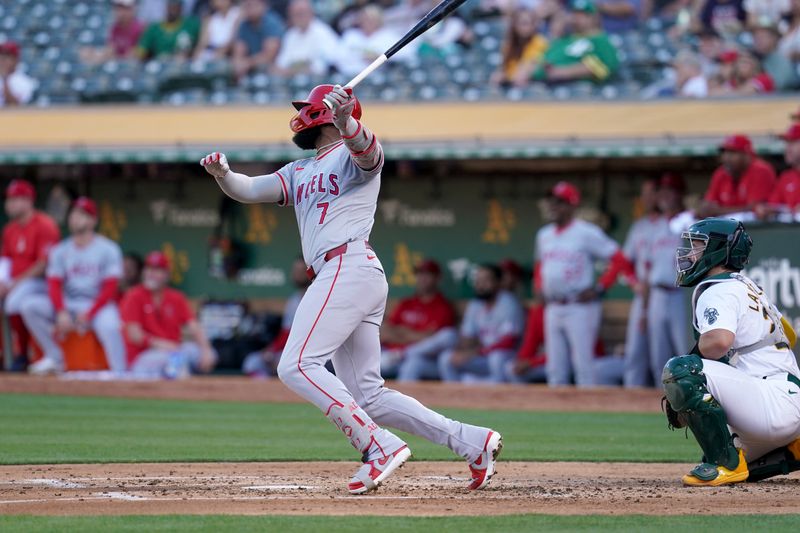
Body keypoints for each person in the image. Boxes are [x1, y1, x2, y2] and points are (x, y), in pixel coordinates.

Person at [200, 83, 502, 494]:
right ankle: (473, 442)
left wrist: (347, 121)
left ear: (323, 114)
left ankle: (376, 445)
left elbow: (370, 155)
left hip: (347, 266)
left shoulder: (350, 150)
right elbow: (249, 189)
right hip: (346, 274)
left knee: (296, 364)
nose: (302, 114)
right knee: (369, 395)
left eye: (309, 108)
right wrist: (224, 175)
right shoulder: (299, 169)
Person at [663, 217, 800, 486]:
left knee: (681, 370)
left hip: (770, 406)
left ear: (718, 251)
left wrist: (688, 376)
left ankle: (724, 464)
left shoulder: (718, 289)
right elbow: (790, 335)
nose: (690, 253)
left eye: (698, 246)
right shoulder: (748, 285)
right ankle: (793, 448)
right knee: (726, 444)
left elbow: (718, 343)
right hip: (785, 398)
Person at [535, 181, 633, 387]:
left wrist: (600, 288)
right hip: (553, 306)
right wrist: (539, 286)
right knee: (555, 368)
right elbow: (540, 265)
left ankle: (588, 413)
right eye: (552, 201)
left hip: (579, 306)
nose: (553, 206)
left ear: (572, 205)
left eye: (560, 202)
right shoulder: (544, 235)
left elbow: (618, 258)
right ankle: (557, 416)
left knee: (583, 366)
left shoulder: (586, 232)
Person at [22, 198, 127, 375]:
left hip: (98, 305)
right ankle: (55, 357)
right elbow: (54, 284)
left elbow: (110, 287)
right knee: (30, 306)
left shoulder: (109, 249)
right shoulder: (60, 250)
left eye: (82, 214)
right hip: (69, 304)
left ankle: (121, 373)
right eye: (73, 213)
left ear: (93, 220)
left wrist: (90, 313)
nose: (76, 218)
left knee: (110, 324)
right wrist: (61, 311)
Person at [121, 251, 217, 378]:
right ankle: (181, 388)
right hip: (144, 356)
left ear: (166, 274)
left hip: (174, 351)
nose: (151, 274)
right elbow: (135, 335)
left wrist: (206, 349)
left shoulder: (176, 297)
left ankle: (196, 388)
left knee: (205, 354)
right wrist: (162, 345)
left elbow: (194, 326)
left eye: (157, 270)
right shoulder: (133, 296)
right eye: (149, 269)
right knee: (174, 360)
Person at [0, 180, 60, 369]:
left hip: (41, 283)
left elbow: (43, 264)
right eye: (9, 199)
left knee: (13, 302)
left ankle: (23, 353)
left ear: (29, 200)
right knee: (11, 301)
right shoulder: (10, 229)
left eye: (16, 199)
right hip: (16, 283)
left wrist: (13, 284)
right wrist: (2, 282)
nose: (11, 204)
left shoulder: (45, 224)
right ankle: (8, 355)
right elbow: (5, 260)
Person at [437, 264, 525, 384]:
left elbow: (509, 342)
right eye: (478, 281)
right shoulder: (475, 305)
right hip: (483, 356)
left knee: (496, 358)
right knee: (446, 358)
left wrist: (476, 352)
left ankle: (502, 396)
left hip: (507, 357)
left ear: (498, 282)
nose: (480, 285)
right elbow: (467, 337)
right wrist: (462, 352)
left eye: (486, 280)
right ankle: (456, 396)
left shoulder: (508, 303)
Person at [641, 174, 689, 387]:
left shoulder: (690, 222)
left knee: (685, 351)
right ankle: (659, 402)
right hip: (657, 295)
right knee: (657, 356)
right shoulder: (654, 227)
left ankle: (691, 398)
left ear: (680, 194)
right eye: (662, 191)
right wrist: (643, 310)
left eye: (670, 191)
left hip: (681, 294)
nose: (665, 196)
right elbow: (646, 270)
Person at [382, 259, 458, 382]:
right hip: (391, 356)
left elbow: (431, 338)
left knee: (414, 363)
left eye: (427, 274)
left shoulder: (442, 307)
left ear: (437, 278)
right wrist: (415, 335)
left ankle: (404, 355)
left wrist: (402, 332)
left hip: (423, 360)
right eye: (419, 274)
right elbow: (386, 332)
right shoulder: (406, 303)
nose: (422, 278)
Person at [242, 257, 310, 377]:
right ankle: (269, 393)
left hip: (309, 352)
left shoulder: (317, 298)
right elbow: (286, 333)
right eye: (295, 271)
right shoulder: (293, 300)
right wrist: (271, 350)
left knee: (283, 364)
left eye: (301, 271)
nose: (297, 275)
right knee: (252, 362)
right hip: (290, 350)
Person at [621, 178, 659, 388]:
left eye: (651, 192)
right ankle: (629, 403)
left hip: (665, 293)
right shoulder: (639, 227)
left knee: (661, 355)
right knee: (635, 353)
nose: (647, 198)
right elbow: (625, 263)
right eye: (644, 193)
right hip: (642, 295)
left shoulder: (672, 223)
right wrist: (634, 283)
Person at [532, 0, 619, 84]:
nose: (577, 18)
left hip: (577, 89)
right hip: (542, 86)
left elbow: (605, 67)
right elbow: (542, 59)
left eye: (583, 15)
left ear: (594, 18)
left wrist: (563, 72)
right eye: (575, 13)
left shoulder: (600, 40)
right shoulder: (565, 39)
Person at [697, 134, 776, 217]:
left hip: (753, 226)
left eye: (732, 153)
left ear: (747, 155)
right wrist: (704, 208)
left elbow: (754, 208)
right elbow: (708, 203)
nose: (727, 157)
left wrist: (718, 211)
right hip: (726, 223)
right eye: (725, 153)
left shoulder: (761, 171)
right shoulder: (721, 173)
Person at [273, 0, 340, 77]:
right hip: (293, 81)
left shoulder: (322, 32)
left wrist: (294, 70)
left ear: (311, 13)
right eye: (296, 14)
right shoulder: (290, 35)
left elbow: (326, 66)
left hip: (318, 82)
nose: (299, 17)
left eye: (302, 13)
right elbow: (280, 65)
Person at [490, 8, 549, 88]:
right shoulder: (508, 45)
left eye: (527, 23)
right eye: (520, 23)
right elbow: (504, 69)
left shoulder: (540, 43)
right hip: (510, 85)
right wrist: (501, 76)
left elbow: (532, 64)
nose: (524, 27)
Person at [337, 6, 399, 78]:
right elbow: (338, 56)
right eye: (365, 19)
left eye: (371, 19)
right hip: (348, 75)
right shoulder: (351, 35)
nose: (367, 22)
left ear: (378, 20)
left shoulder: (387, 35)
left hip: (377, 78)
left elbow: (403, 55)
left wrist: (379, 57)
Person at [81, 0, 145, 64]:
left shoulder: (140, 28)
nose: (121, 12)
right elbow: (111, 49)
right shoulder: (115, 27)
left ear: (133, 9)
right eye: (118, 8)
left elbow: (138, 55)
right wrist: (96, 54)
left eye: (125, 8)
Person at [756, 123, 800, 217]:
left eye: (792, 142)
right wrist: (766, 210)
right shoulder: (786, 177)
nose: (787, 148)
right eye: (787, 143)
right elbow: (773, 205)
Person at [232, 0, 284, 78]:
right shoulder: (244, 24)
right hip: (251, 66)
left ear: (263, 5)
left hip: (272, 68)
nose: (249, 8)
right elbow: (238, 51)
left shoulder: (271, 22)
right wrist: (238, 64)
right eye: (247, 5)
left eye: (252, 4)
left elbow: (269, 56)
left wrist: (247, 63)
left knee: (263, 67)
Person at [137, 0, 201, 60]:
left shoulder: (191, 25)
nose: (173, 10)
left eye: (176, 6)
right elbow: (141, 51)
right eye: (171, 6)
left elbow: (200, 47)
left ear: (181, 7)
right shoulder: (154, 28)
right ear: (166, 7)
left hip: (184, 67)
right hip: (158, 66)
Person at [751, 19, 798, 91]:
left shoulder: (781, 61)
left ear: (775, 38)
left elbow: (779, 86)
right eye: (756, 36)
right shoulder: (752, 57)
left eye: (763, 36)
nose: (758, 40)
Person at [0, 42, 36, 108]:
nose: (2, 60)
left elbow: (14, 106)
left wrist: (5, 78)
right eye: (1, 56)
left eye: (6, 57)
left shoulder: (24, 82)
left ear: (16, 59)